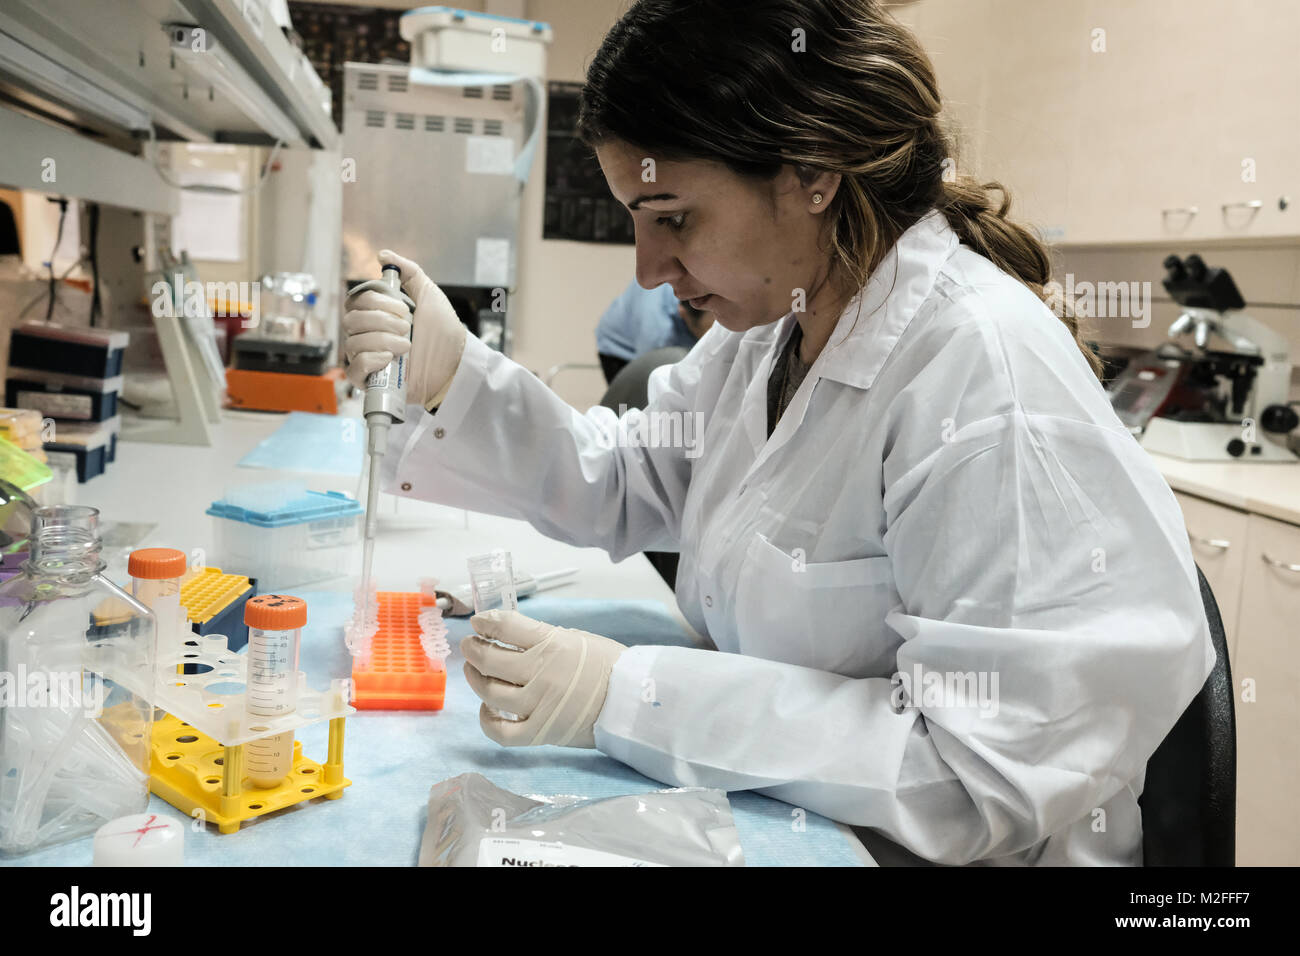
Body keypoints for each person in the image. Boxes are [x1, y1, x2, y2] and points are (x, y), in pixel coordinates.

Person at [342, 0, 1214, 866]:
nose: (648, 270)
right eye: (636, 221)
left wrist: (628, 694)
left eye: (673, 217)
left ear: (813, 175)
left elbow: (975, 774)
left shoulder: (983, 380)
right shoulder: (768, 333)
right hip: (792, 820)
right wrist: (452, 372)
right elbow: (623, 480)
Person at [596, 279, 712, 384]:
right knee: (629, 402)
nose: (711, 338)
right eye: (707, 331)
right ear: (683, 313)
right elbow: (650, 375)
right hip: (620, 351)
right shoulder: (656, 329)